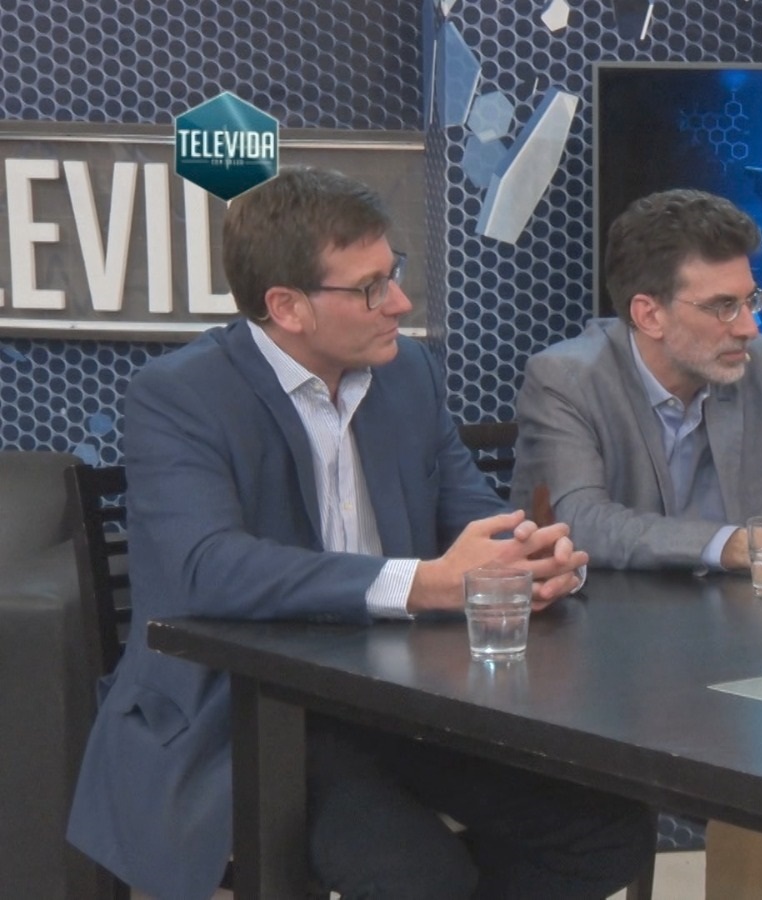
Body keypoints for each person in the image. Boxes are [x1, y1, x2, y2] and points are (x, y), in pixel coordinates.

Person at [66, 167, 654, 900]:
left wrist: (529, 557)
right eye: (371, 288)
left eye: (393, 274)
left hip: (398, 697)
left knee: (607, 831)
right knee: (419, 877)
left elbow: (474, 518)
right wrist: (422, 583)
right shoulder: (181, 394)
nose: (400, 303)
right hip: (246, 711)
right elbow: (205, 567)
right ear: (287, 307)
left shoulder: (407, 373)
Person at [511, 188, 762, 576]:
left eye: (751, 301)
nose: (749, 328)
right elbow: (578, 521)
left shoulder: (759, 364)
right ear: (649, 316)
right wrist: (743, 546)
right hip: (612, 610)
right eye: (724, 306)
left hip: (743, 609)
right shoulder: (566, 380)